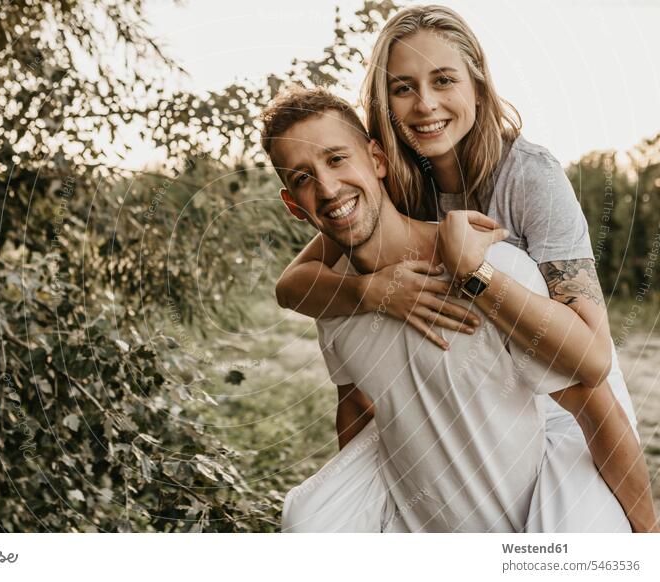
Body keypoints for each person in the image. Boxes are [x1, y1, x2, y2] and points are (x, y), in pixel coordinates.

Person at [272, 5, 657, 532]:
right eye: (403, 87)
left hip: (564, 394)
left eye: (443, 80)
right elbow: (291, 285)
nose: (424, 104)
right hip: (484, 384)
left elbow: (591, 358)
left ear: (477, 83)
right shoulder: (402, 177)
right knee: (312, 520)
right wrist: (375, 293)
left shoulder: (528, 176)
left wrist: (473, 272)